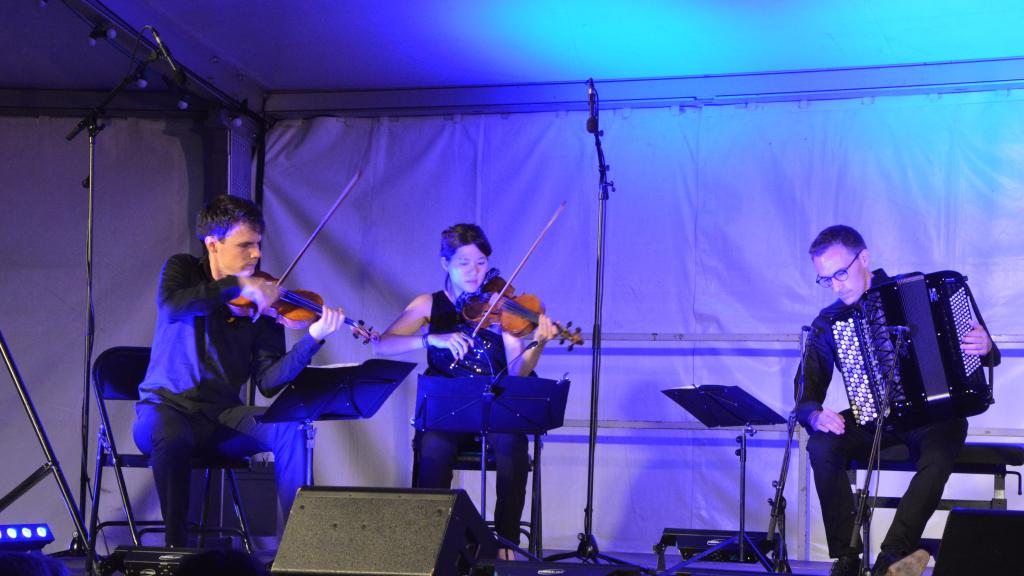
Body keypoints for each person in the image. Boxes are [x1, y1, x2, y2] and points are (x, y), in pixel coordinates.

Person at [133, 195, 349, 547]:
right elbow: (172, 306)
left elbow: (267, 380)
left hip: (221, 417)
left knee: (290, 429)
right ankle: (176, 553)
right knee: (173, 437)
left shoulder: (264, 299)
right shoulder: (183, 270)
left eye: (258, 245)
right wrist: (237, 286)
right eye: (245, 245)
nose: (255, 254)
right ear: (212, 244)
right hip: (163, 410)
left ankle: (300, 550)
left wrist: (311, 339)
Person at [795, 225, 999, 576]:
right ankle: (846, 556)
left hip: (932, 417)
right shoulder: (829, 322)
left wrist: (986, 347)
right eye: (826, 279)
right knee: (822, 445)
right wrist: (814, 416)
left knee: (945, 442)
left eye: (840, 273)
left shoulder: (916, 289)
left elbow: (980, 351)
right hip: (873, 417)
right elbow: (807, 390)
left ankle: (893, 556)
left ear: (864, 259)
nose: (836, 285)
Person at [373, 223, 558, 559]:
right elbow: (383, 345)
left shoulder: (503, 305)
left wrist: (539, 343)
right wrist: (430, 338)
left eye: (481, 263)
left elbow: (519, 371)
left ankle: (505, 543)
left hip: (495, 407)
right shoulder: (430, 304)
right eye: (463, 264)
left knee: (512, 445)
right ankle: (428, 543)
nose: (474, 273)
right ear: (445, 264)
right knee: (433, 448)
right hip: (449, 409)